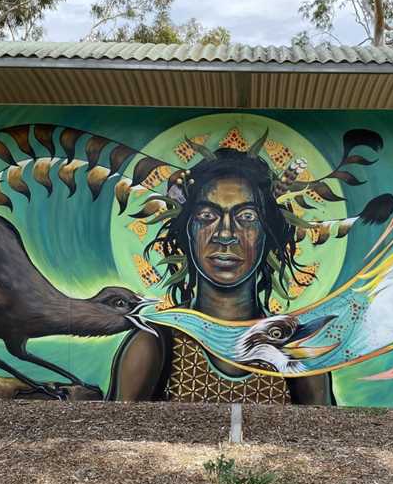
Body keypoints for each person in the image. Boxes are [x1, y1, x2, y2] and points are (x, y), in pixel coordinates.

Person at [114, 148, 333, 404]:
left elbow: (322, 438)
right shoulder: (155, 344)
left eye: (247, 217)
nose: (225, 234)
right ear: (188, 231)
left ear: (268, 234)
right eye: (207, 216)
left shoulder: (295, 349)